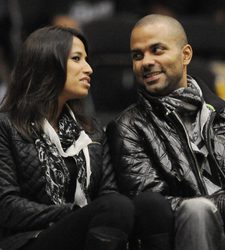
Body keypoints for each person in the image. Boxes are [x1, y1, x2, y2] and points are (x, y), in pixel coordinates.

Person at [106, 14, 225, 250]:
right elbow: (152, 206)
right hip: (187, 235)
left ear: (186, 55)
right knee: (197, 210)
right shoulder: (128, 127)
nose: (146, 62)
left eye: (157, 50)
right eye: (137, 55)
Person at [0, 25, 135, 250]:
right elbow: (6, 206)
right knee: (112, 208)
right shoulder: (6, 126)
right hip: (27, 240)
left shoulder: (91, 130)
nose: (89, 68)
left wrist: (85, 215)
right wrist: (75, 213)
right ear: (47, 63)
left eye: (87, 59)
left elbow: (108, 193)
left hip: (84, 233)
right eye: (77, 59)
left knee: (139, 207)